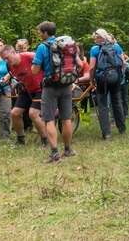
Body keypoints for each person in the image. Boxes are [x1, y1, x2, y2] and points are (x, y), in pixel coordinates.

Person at [32, 21, 76, 163]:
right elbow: (79, 64)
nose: (39, 34)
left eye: (40, 32)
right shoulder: (65, 45)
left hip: (50, 86)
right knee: (66, 118)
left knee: (49, 119)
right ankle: (68, 150)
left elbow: (35, 70)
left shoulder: (42, 47)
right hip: (67, 84)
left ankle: (54, 154)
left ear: (45, 32)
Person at [0, 45, 48, 146]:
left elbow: (47, 63)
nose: (6, 60)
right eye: (4, 59)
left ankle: (46, 140)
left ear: (14, 53)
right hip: (25, 89)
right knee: (14, 113)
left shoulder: (29, 56)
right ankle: (20, 139)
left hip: (41, 88)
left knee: (33, 113)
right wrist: (6, 78)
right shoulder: (9, 65)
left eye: (7, 57)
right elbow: (13, 72)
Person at [89, 28, 127, 140]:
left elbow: (91, 67)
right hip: (115, 78)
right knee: (117, 102)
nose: (95, 40)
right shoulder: (116, 46)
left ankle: (106, 134)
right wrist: (121, 75)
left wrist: (92, 81)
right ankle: (122, 128)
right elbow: (123, 62)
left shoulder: (95, 49)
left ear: (99, 38)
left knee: (103, 105)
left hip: (102, 79)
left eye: (95, 38)